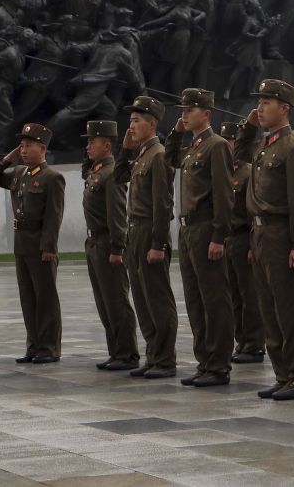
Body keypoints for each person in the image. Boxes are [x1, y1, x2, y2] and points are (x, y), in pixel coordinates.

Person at [237, 79, 294, 400]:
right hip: (260, 234)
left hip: (282, 233)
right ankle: (283, 373)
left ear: (285, 108)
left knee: (289, 308)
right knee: (268, 307)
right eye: (260, 101)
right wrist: (248, 127)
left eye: (267, 102)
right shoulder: (264, 145)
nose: (260, 106)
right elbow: (238, 154)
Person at [165, 88, 235, 387]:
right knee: (195, 299)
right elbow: (171, 159)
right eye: (182, 109)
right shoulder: (192, 147)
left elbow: (223, 194)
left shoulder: (216, 146)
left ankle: (218, 364)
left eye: (189, 109)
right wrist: (175, 132)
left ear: (206, 113)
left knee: (213, 298)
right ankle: (204, 361)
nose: (184, 113)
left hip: (206, 227)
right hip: (187, 229)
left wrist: (219, 236)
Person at [0, 123, 65, 365]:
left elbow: (54, 215)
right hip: (21, 244)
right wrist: (7, 158)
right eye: (21, 146)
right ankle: (34, 345)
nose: (23, 150)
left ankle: (49, 348)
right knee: (28, 298)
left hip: (40, 245)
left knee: (45, 299)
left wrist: (49, 247)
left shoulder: (52, 177)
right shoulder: (19, 173)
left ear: (42, 148)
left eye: (28, 146)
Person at [114, 96, 179, 379]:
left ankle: (165, 359)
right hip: (135, 231)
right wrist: (125, 151)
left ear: (152, 124)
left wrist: (157, 243)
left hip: (149, 231)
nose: (131, 126)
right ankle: (153, 356)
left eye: (137, 120)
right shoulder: (141, 154)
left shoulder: (159, 155)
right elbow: (119, 178)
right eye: (130, 120)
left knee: (157, 298)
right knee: (141, 298)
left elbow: (163, 205)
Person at [80, 120, 139, 372]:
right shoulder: (97, 170)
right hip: (94, 241)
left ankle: (127, 353)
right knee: (104, 301)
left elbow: (117, 215)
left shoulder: (112, 173)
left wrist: (117, 248)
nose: (88, 145)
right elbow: (86, 169)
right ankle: (116, 350)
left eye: (92, 141)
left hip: (107, 242)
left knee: (115, 300)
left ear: (107, 145)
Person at [220, 122, 266, 365]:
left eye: (231, 140)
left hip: (243, 236)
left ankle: (255, 343)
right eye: (225, 139)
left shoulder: (247, 172)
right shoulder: (225, 172)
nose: (228, 144)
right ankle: (243, 340)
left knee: (250, 294)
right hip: (228, 238)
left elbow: (251, 210)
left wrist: (251, 244)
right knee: (234, 294)